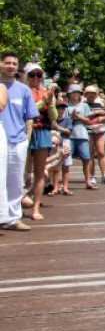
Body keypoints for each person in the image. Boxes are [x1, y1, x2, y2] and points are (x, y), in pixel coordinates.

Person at [1, 51, 39, 231]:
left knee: (16, 181)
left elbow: (29, 118)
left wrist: (26, 140)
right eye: (7, 63)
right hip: (1, 140)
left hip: (18, 141)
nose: (10, 66)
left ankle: (14, 218)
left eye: (14, 63)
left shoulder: (23, 90)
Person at [24, 62, 56, 221]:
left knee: (40, 171)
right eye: (32, 74)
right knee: (22, 170)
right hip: (26, 131)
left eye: (39, 75)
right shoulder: (23, 91)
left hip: (43, 130)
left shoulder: (47, 92)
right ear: (26, 76)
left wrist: (49, 101)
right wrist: (43, 101)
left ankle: (36, 207)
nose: (36, 78)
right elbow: (27, 110)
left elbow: (54, 116)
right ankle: (19, 201)